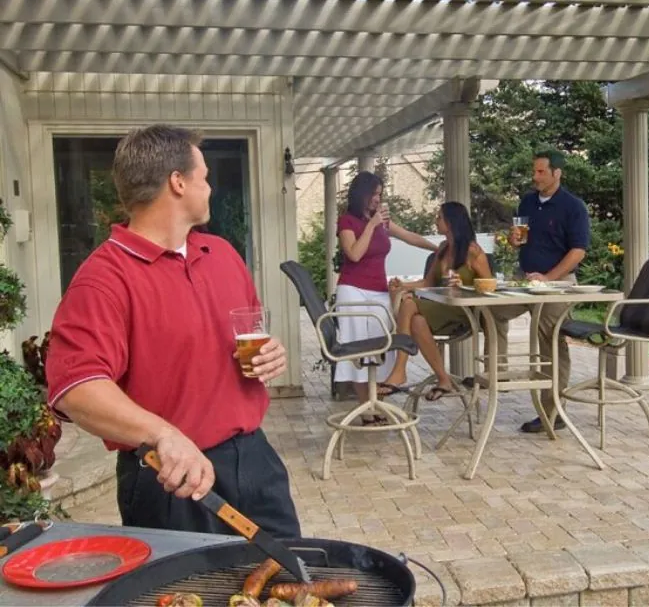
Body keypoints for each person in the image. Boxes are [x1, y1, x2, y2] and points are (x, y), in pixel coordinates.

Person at [44, 125, 300, 537]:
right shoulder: (104, 278)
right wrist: (163, 434)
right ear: (177, 182)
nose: (210, 188)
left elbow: (245, 334)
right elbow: (75, 388)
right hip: (171, 478)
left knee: (292, 588)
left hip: (255, 461)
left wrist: (271, 351)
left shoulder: (221, 254)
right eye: (205, 177)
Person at [491, 149, 591, 433]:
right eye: (534, 171)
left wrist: (547, 278)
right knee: (493, 311)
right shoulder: (527, 202)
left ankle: (553, 411)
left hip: (558, 284)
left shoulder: (573, 207)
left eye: (540, 172)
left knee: (549, 336)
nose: (534, 176)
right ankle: (500, 376)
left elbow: (578, 252)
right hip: (527, 279)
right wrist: (514, 240)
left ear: (556, 174)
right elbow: (520, 241)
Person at [333, 171, 439, 411]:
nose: (377, 200)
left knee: (382, 349)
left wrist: (439, 248)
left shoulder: (383, 222)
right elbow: (354, 254)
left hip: (379, 291)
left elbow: (410, 237)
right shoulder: (347, 221)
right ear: (362, 194)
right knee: (360, 349)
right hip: (352, 291)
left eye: (380, 195)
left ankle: (377, 404)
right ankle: (367, 410)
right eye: (374, 194)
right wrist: (371, 225)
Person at [393, 201, 492, 401]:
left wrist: (464, 284)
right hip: (442, 307)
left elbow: (489, 285)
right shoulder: (443, 248)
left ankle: (400, 369)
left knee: (409, 303)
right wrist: (403, 285)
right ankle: (443, 379)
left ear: (451, 221)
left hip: (464, 312)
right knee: (416, 321)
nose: (436, 221)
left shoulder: (474, 251)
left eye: (439, 217)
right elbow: (428, 283)